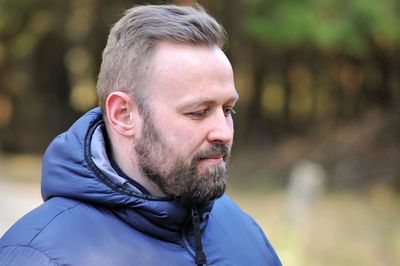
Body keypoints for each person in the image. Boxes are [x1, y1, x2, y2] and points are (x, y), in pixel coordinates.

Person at [0, 4, 281, 266]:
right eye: (198, 112)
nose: (223, 132)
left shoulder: (246, 233)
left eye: (228, 110)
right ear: (123, 114)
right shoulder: (37, 256)